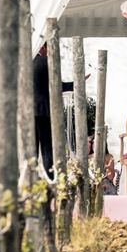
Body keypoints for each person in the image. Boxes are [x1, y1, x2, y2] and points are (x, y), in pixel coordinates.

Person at [33, 42, 89, 178]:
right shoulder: (47, 62)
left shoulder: (29, 62)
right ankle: (51, 179)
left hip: (28, 111)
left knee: (32, 150)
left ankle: (31, 183)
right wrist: (78, 82)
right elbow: (58, 86)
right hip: (44, 111)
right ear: (43, 47)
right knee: (47, 149)